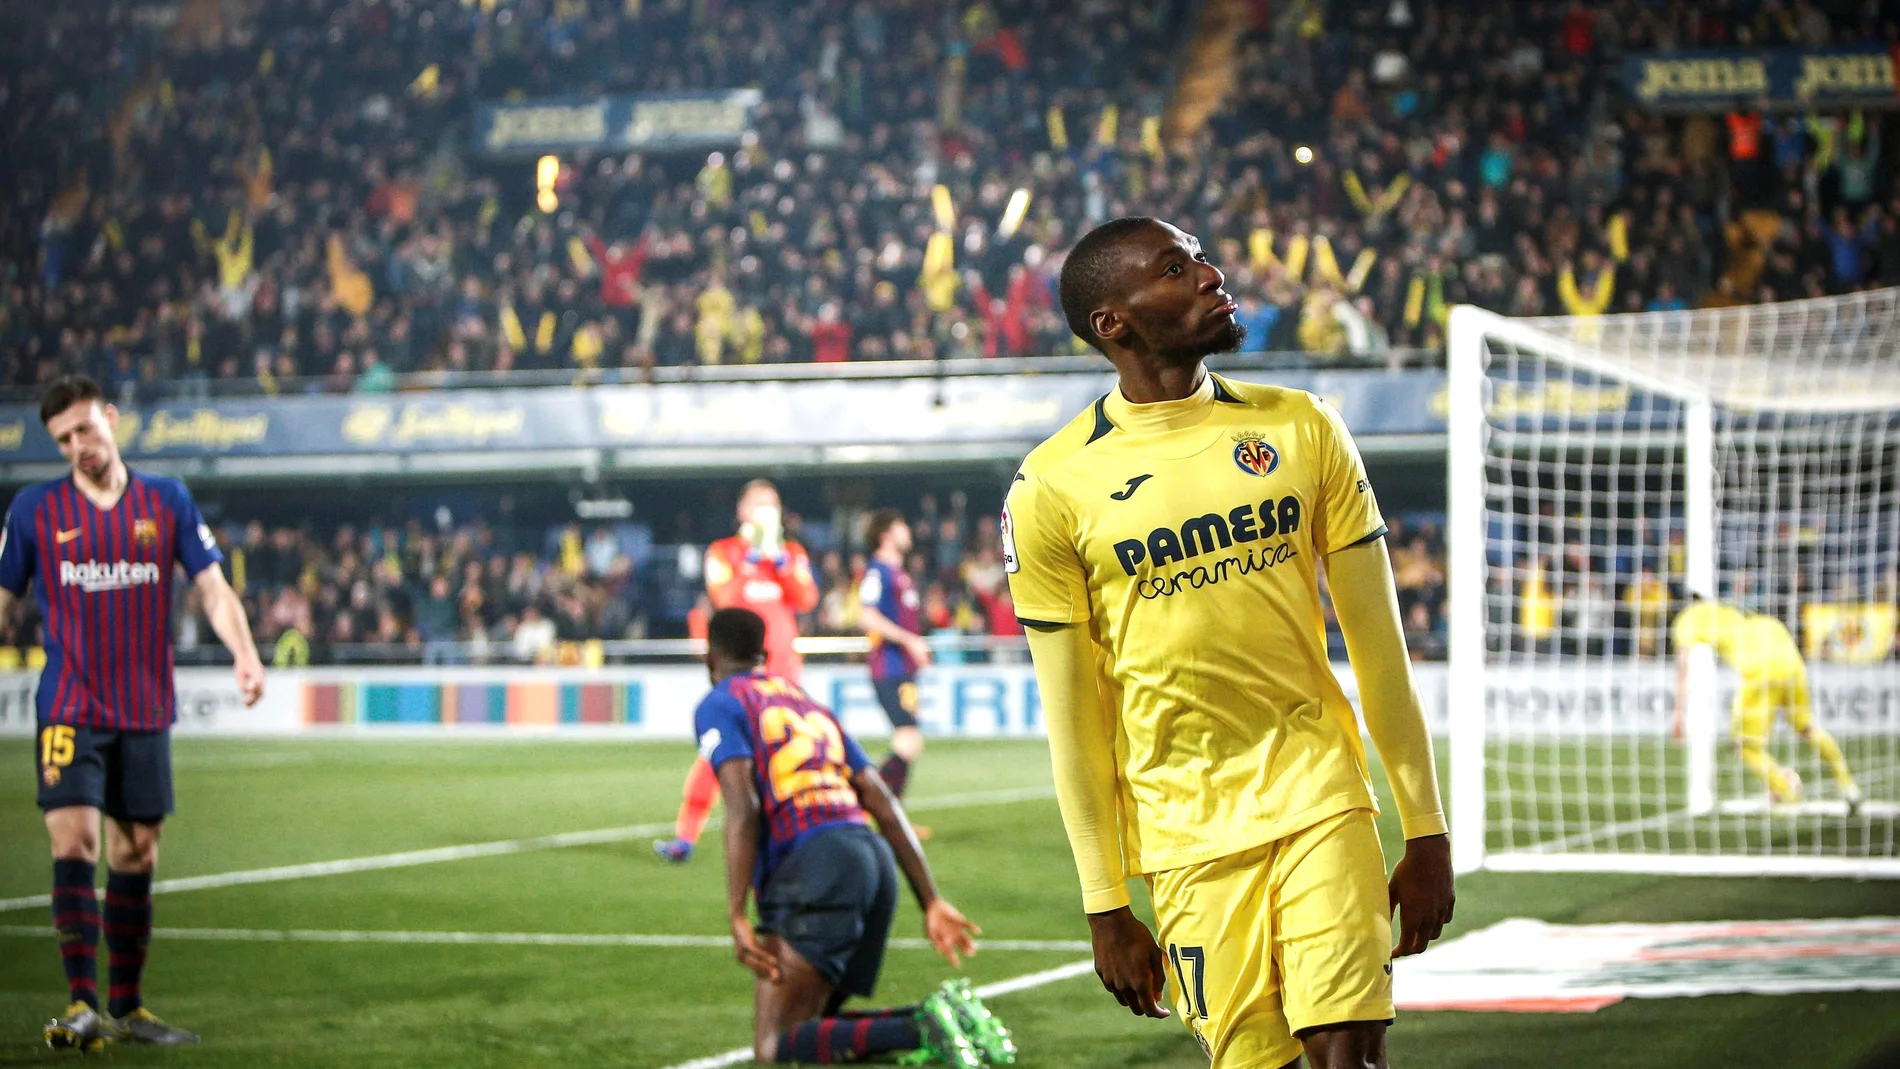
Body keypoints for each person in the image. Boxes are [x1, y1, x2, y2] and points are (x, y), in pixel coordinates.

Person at [1004, 218, 1454, 1069]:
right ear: (1114, 323)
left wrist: (1424, 828)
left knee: (1347, 1059)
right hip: (1184, 834)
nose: (1212, 275)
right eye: (1177, 268)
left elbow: (1379, 646)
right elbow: (1074, 719)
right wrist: (1105, 900)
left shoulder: (1303, 427)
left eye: (1203, 256)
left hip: (1319, 790)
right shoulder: (1051, 487)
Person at [0, 375, 266, 1051]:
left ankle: (129, 1007)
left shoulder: (166, 500)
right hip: (68, 705)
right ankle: (81, 1003)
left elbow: (212, 586)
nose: (78, 446)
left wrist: (244, 651)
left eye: (86, 428)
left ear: (111, 419)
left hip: (144, 707)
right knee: (74, 842)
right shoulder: (33, 511)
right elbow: (1, 601)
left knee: (137, 852)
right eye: (63, 438)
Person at [692, 608, 1013, 1067]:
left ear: (710, 658)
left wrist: (735, 911)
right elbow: (880, 796)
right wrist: (931, 900)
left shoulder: (720, 702)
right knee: (816, 1029)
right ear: (764, 654)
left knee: (775, 1049)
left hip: (815, 866)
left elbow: (743, 804)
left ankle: (921, 1025)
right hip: (871, 863)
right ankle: (944, 1019)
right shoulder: (804, 701)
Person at [655, 480, 820, 862]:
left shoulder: (790, 553)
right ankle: (686, 836)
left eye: (773, 504)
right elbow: (724, 598)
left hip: (784, 670)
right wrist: (751, 559)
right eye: (760, 504)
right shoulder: (724, 552)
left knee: (791, 752)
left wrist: (777, 560)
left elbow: (806, 598)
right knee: (719, 748)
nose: (767, 511)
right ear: (742, 512)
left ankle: (798, 832)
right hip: (741, 669)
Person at [1672, 598, 1860, 812]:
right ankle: (1848, 785)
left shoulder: (1685, 620)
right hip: (1788, 654)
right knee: (1807, 728)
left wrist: (1678, 711)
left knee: (1745, 745)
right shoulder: (1729, 608)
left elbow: (1683, 662)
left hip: (1760, 668)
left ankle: (1786, 791)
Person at [858, 509, 932, 799]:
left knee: (911, 739)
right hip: (889, 668)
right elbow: (867, 617)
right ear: (886, 535)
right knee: (909, 737)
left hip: (904, 668)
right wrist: (910, 641)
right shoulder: (878, 572)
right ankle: (873, 798)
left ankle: (890, 811)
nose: (908, 531)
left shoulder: (900, 574)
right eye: (902, 526)